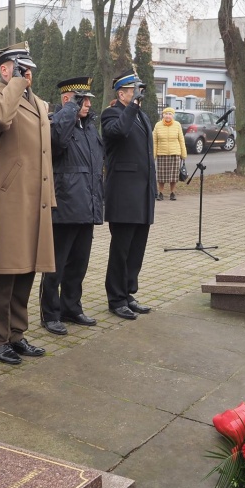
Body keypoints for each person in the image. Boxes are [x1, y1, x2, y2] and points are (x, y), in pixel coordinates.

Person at [0, 43, 56, 365]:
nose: (28, 73)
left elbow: (44, 154)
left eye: (29, 69)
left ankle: (17, 334)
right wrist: (16, 85)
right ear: (4, 70)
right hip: (8, 198)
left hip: (35, 199)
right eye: (20, 68)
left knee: (27, 269)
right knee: (4, 271)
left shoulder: (38, 103)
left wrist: (49, 197)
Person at [39, 76, 104, 336]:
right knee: (55, 265)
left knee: (79, 263)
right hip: (64, 206)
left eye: (88, 99)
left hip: (86, 206)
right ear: (67, 100)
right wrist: (69, 111)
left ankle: (71, 307)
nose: (87, 104)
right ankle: (50, 313)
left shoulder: (89, 127)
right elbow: (54, 143)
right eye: (81, 99)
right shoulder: (57, 122)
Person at [101, 68, 157, 320]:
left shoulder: (141, 116)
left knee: (137, 249)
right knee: (121, 250)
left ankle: (128, 292)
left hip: (142, 195)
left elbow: (146, 154)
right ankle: (116, 298)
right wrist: (132, 107)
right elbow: (118, 132)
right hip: (123, 195)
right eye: (134, 91)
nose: (138, 95)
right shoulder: (111, 114)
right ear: (122, 93)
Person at [152, 107, 187, 201]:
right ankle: (161, 193)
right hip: (161, 153)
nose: (168, 116)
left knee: (173, 176)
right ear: (163, 115)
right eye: (166, 114)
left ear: (173, 115)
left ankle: (172, 193)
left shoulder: (177, 125)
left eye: (170, 114)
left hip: (174, 153)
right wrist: (153, 156)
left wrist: (183, 154)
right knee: (161, 176)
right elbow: (154, 141)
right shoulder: (158, 125)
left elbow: (181, 140)